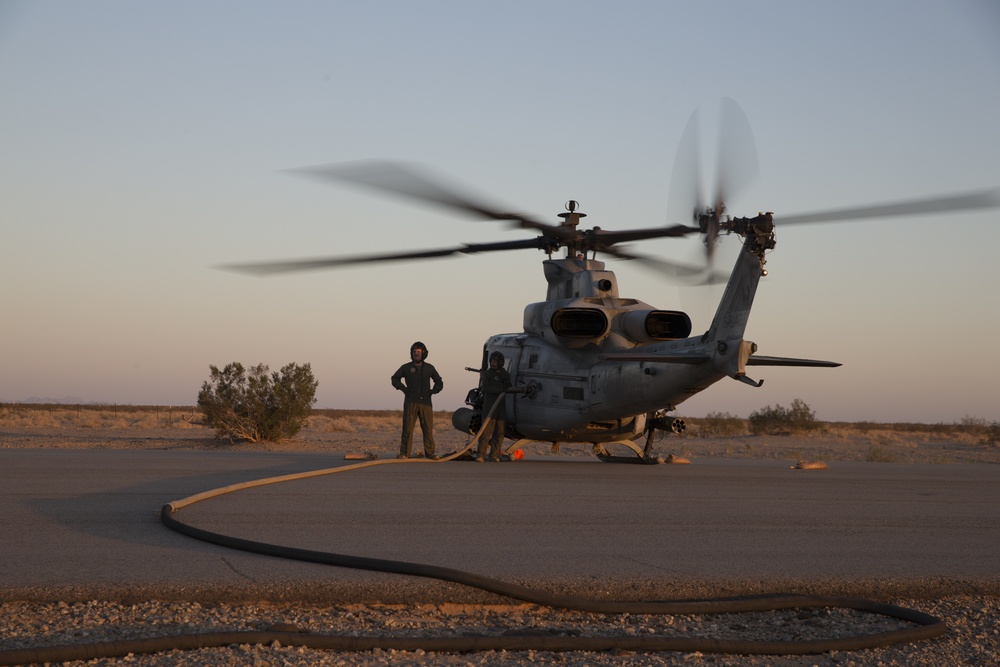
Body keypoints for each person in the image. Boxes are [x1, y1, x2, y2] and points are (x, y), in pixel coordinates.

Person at [391, 341, 443, 459]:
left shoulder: (429, 368)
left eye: (418, 352)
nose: (416, 354)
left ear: (423, 353)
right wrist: (403, 389)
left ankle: (430, 453)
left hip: (426, 402)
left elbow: (439, 382)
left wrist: (433, 391)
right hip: (411, 401)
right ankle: (404, 453)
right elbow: (394, 379)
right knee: (407, 428)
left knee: (427, 428)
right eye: (414, 352)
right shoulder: (406, 367)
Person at [477, 350, 511, 462]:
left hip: (501, 408)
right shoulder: (487, 374)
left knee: (500, 432)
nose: (493, 363)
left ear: (500, 362)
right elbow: (485, 387)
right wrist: (500, 389)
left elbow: (508, 386)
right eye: (492, 361)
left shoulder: (505, 374)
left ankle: (494, 455)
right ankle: (480, 455)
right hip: (489, 406)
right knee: (486, 432)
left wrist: (506, 387)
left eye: (495, 361)